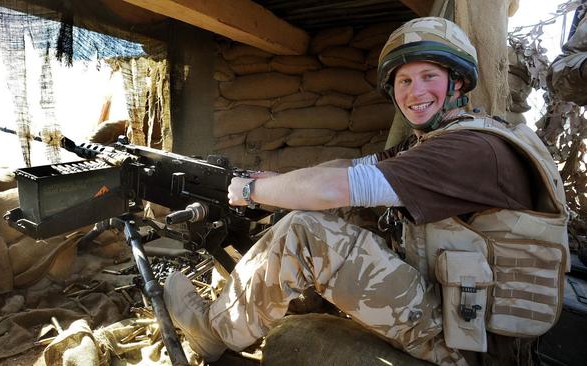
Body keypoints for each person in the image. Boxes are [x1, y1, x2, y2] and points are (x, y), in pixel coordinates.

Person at [164, 17, 570, 365]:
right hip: (461, 313)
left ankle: (216, 333)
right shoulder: (443, 137)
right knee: (342, 212)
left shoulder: (468, 150)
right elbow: (350, 167)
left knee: (306, 231)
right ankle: (279, 300)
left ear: (458, 81)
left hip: (467, 342)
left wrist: (252, 191)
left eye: (429, 77)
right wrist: (276, 180)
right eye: (405, 80)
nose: (415, 92)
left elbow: (338, 187)